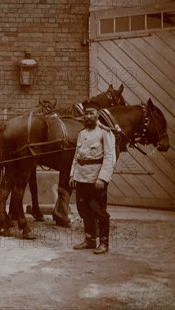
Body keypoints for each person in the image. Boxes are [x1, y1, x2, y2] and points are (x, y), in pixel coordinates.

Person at [69, 103, 117, 254]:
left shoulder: (105, 133)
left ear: (97, 115)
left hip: (96, 179)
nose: (88, 116)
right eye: (86, 114)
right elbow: (76, 157)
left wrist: (102, 178)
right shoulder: (82, 133)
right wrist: (72, 175)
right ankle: (90, 239)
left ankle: (104, 242)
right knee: (83, 209)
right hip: (81, 177)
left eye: (91, 114)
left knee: (99, 211)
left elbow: (110, 157)